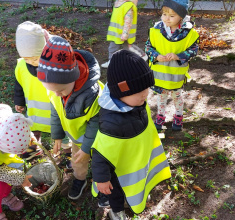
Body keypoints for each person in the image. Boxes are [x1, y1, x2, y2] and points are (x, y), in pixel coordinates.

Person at [91, 50, 172, 219]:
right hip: (117, 173)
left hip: (135, 163)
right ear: (121, 92)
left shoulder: (137, 104)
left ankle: (135, 196)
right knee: (117, 194)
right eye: (138, 91)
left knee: (135, 184)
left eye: (146, 88)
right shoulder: (111, 123)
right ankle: (117, 211)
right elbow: (100, 154)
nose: (145, 94)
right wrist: (102, 179)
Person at [37, 36, 108, 206]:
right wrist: (58, 136)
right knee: (78, 161)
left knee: (100, 162)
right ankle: (79, 178)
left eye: (60, 91)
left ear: (74, 78)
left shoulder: (91, 95)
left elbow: (95, 124)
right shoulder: (56, 90)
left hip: (98, 139)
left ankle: (104, 186)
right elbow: (56, 111)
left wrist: (86, 149)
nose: (56, 94)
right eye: (51, 91)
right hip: (77, 137)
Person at [14, 21, 72, 165]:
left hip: (56, 112)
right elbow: (19, 85)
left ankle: (67, 153)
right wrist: (19, 102)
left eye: (35, 58)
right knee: (32, 131)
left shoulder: (54, 64)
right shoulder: (21, 66)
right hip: (34, 111)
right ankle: (33, 148)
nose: (32, 62)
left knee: (62, 133)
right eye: (27, 59)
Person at [145, 0, 199, 131]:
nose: (166, 18)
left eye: (172, 15)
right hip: (160, 75)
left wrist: (178, 56)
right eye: (164, 14)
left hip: (176, 76)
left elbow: (193, 50)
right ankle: (161, 115)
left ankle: (179, 115)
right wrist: (156, 56)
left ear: (181, 16)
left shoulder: (188, 33)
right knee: (161, 97)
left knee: (177, 96)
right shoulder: (156, 30)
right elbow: (148, 47)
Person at [101, 0, 147, 68]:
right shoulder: (118, 4)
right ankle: (141, 56)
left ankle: (112, 62)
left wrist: (125, 34)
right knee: (124, 47)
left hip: (122, 34)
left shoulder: (128, 6)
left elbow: (128, 22)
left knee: (120, 48)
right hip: (117, 33)